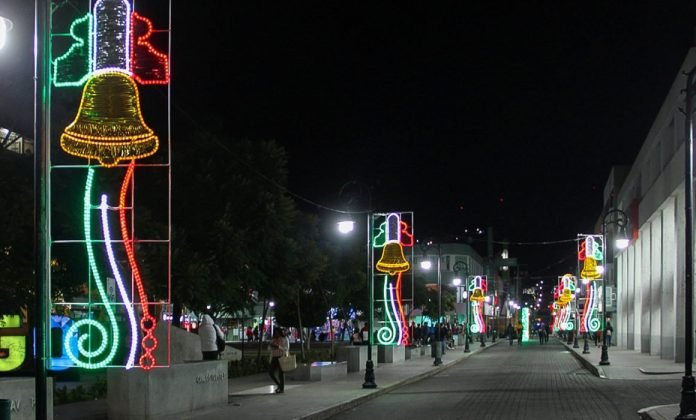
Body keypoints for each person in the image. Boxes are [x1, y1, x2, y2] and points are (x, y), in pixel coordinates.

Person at [269, 328, 290, 393]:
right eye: (275, 332)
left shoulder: (284, 339)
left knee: (281, 374)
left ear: (280, 332)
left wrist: (278, 347)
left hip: (281, 357)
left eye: (277, 332)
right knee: (270, 372)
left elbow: (286, 348)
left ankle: (281, 388)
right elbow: (269, 348)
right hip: (274, 357)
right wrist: (271, 346)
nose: (276, 334)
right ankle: (279, 385)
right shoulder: (273, 339)